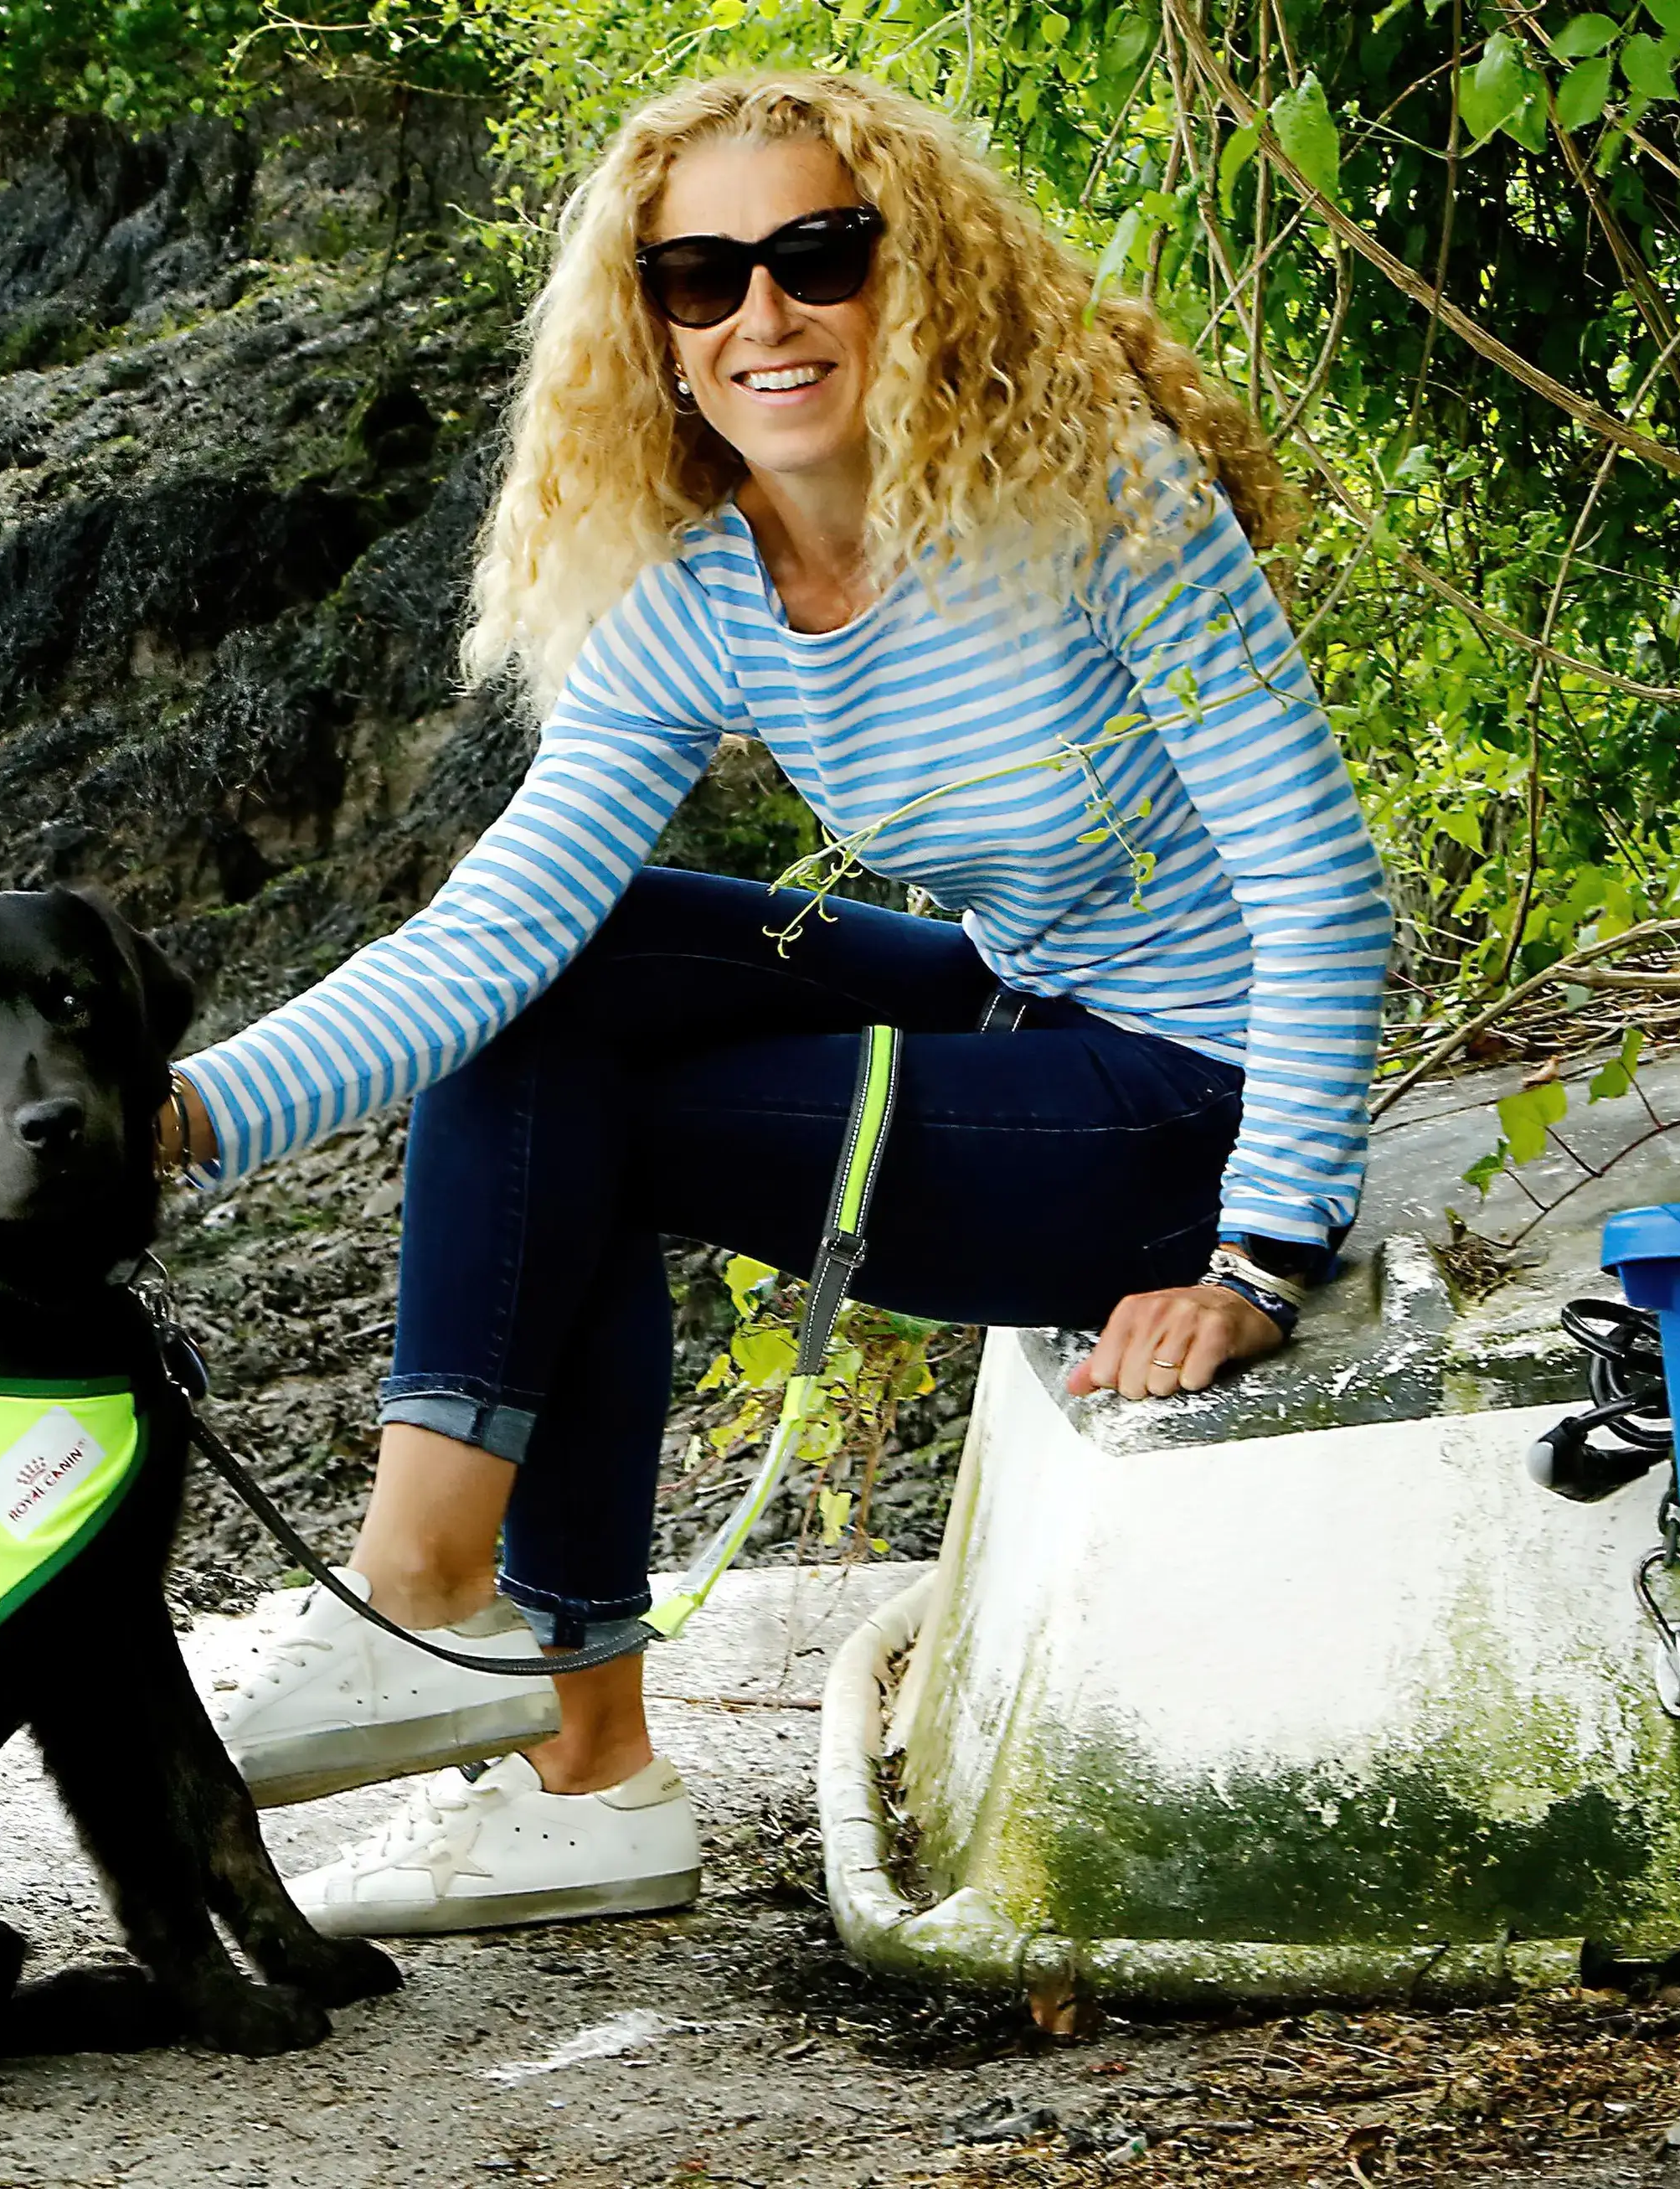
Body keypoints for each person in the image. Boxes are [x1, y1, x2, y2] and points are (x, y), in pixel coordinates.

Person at [148, 70, 1389, 1937]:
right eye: (701, 277)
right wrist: (174, 1119)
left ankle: (523, 1711)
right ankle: (451, 1625)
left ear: (919, 273)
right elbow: (487, 938)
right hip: (1024, 1011)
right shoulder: (706, 596)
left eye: (817, 255)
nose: (762, 317)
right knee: (565, 964)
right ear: (645, 324)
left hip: (1176, 1110)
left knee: (598, 1126)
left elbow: (1318, 884)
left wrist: (1255, 1259)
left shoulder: (1098, 497)